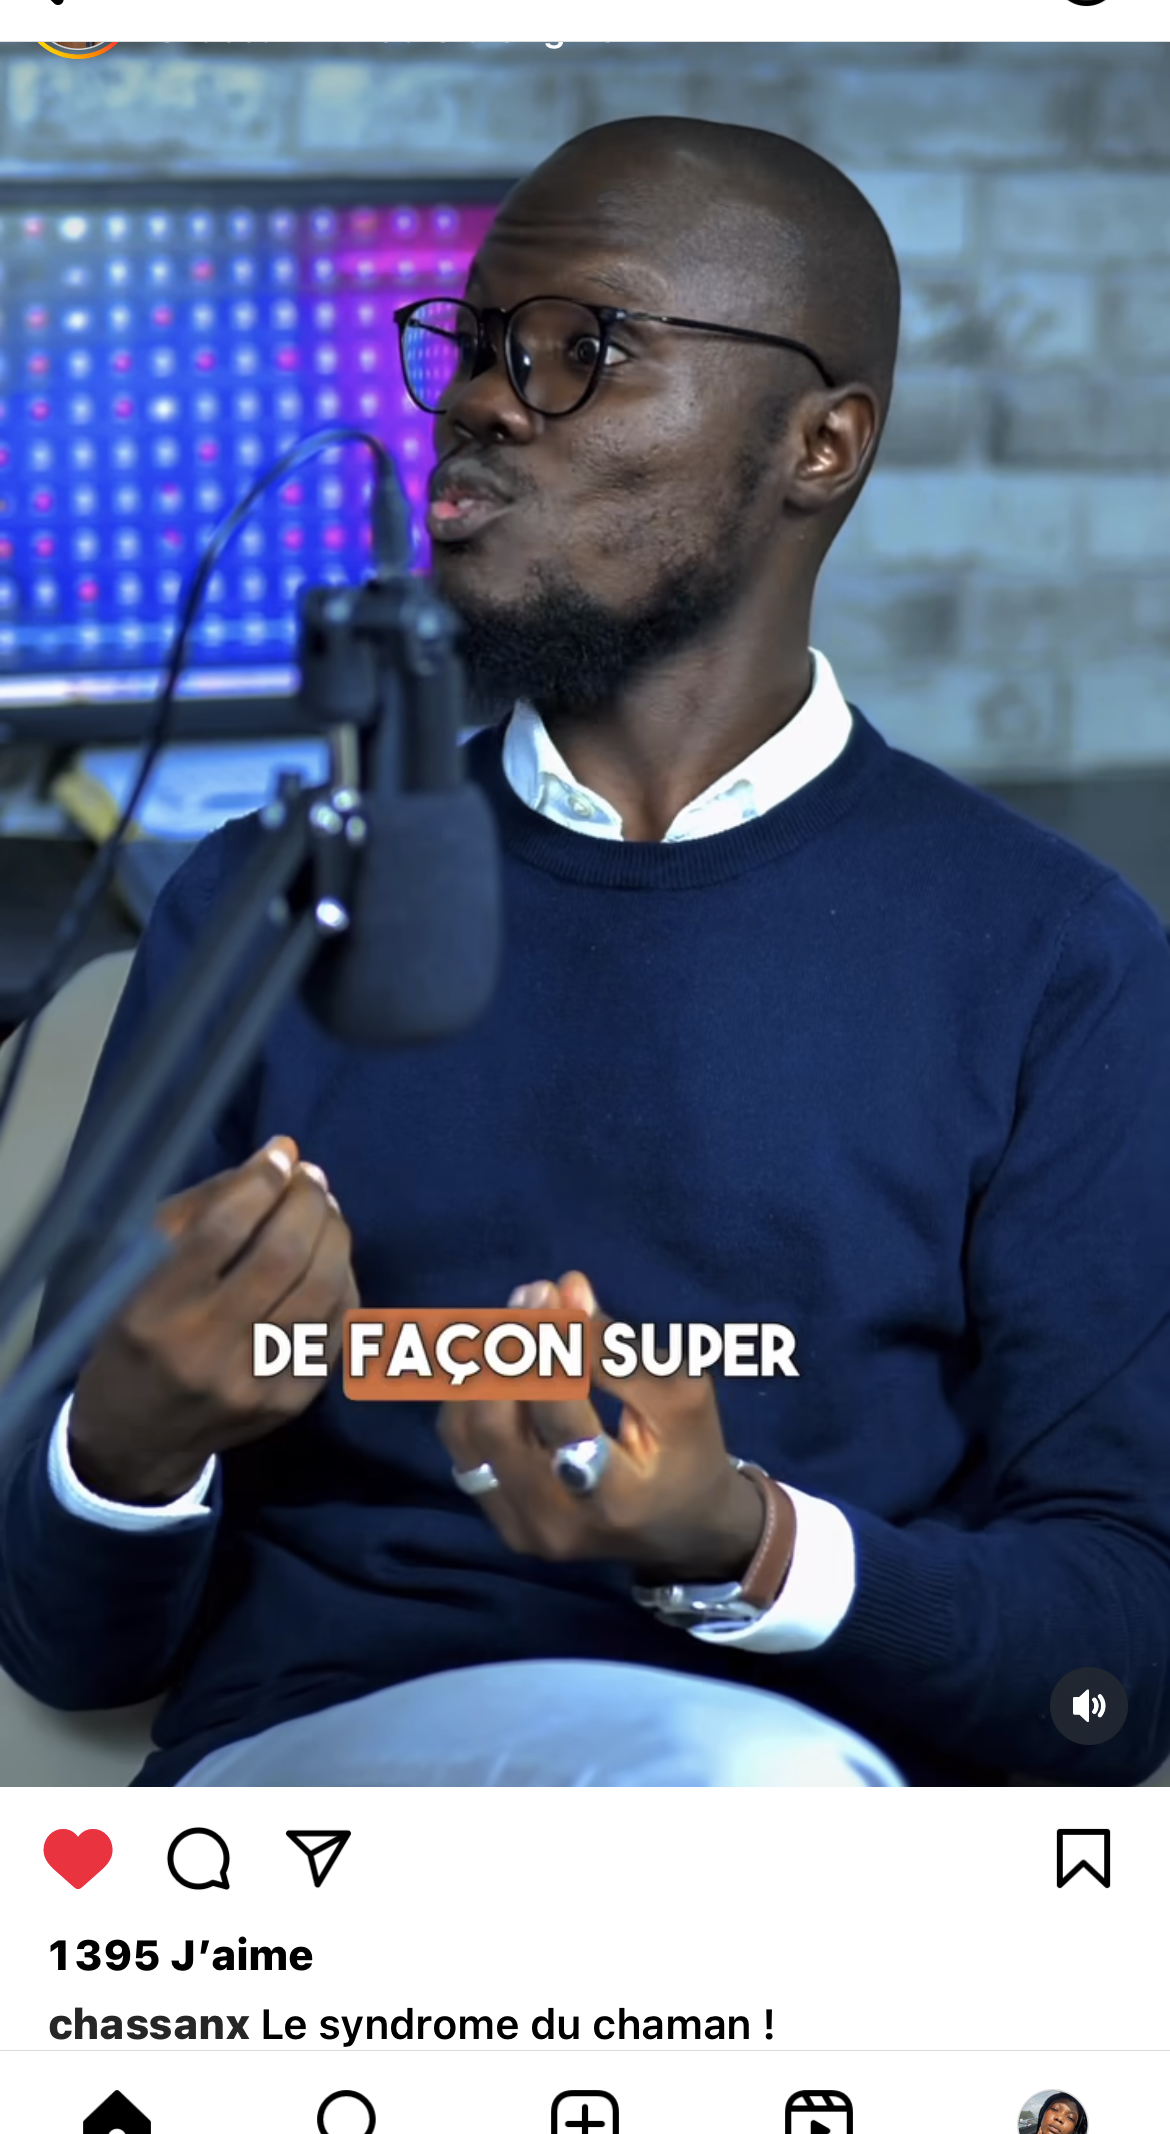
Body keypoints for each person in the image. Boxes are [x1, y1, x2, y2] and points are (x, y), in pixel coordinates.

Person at [2, 114, 1170, 1789]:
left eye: (581, 349)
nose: (482, 400)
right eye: (478, 344)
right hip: (325, 1799)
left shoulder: (1053, 957)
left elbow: (1109, 1671)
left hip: (809, 1816)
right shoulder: (260, 904)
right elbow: (66, 1649)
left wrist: (745, 1545)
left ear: (819, 444)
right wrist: (129, 1440)